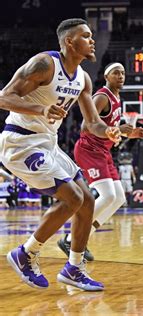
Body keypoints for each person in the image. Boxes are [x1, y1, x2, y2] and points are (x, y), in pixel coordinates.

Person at [0, 18, 121, 291]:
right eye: (86, 36)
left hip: (47, 142)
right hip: (20, 142)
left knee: (88, 200)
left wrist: (109, 131)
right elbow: (4, 96)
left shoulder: (83, 78)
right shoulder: (44, 64)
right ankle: (26, 254)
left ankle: (74, 269)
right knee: (74, 198)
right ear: (69, 41)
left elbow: (92, 123)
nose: (92, 40)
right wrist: (40, 110)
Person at [57, 62, 143, 261]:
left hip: (103, 152)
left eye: (123, 72)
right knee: (107, 195)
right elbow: (87, 125)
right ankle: (72, 238)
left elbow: (112, 131)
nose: (121, 76)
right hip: (89, 150)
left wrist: (128, 134)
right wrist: (116, 131)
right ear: (107, 76)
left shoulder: (116, 98)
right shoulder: (102, 96)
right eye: (116, 73)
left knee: (119, 198)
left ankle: (81, 237)